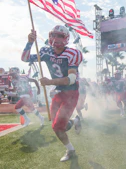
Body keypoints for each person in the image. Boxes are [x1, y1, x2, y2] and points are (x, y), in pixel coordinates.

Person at [21, 25, 83, 162]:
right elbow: (25, 58)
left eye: (60, 36)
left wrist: (50, 82)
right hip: (58, 91)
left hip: (71, 92)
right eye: (54, 35)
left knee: (57, 127)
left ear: (66, 38)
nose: (56, 38)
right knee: (56, 126)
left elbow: (71, 79)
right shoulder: (46, 51)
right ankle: (75, 121)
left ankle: (71, 150)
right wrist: (30, 42)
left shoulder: (73, 53)